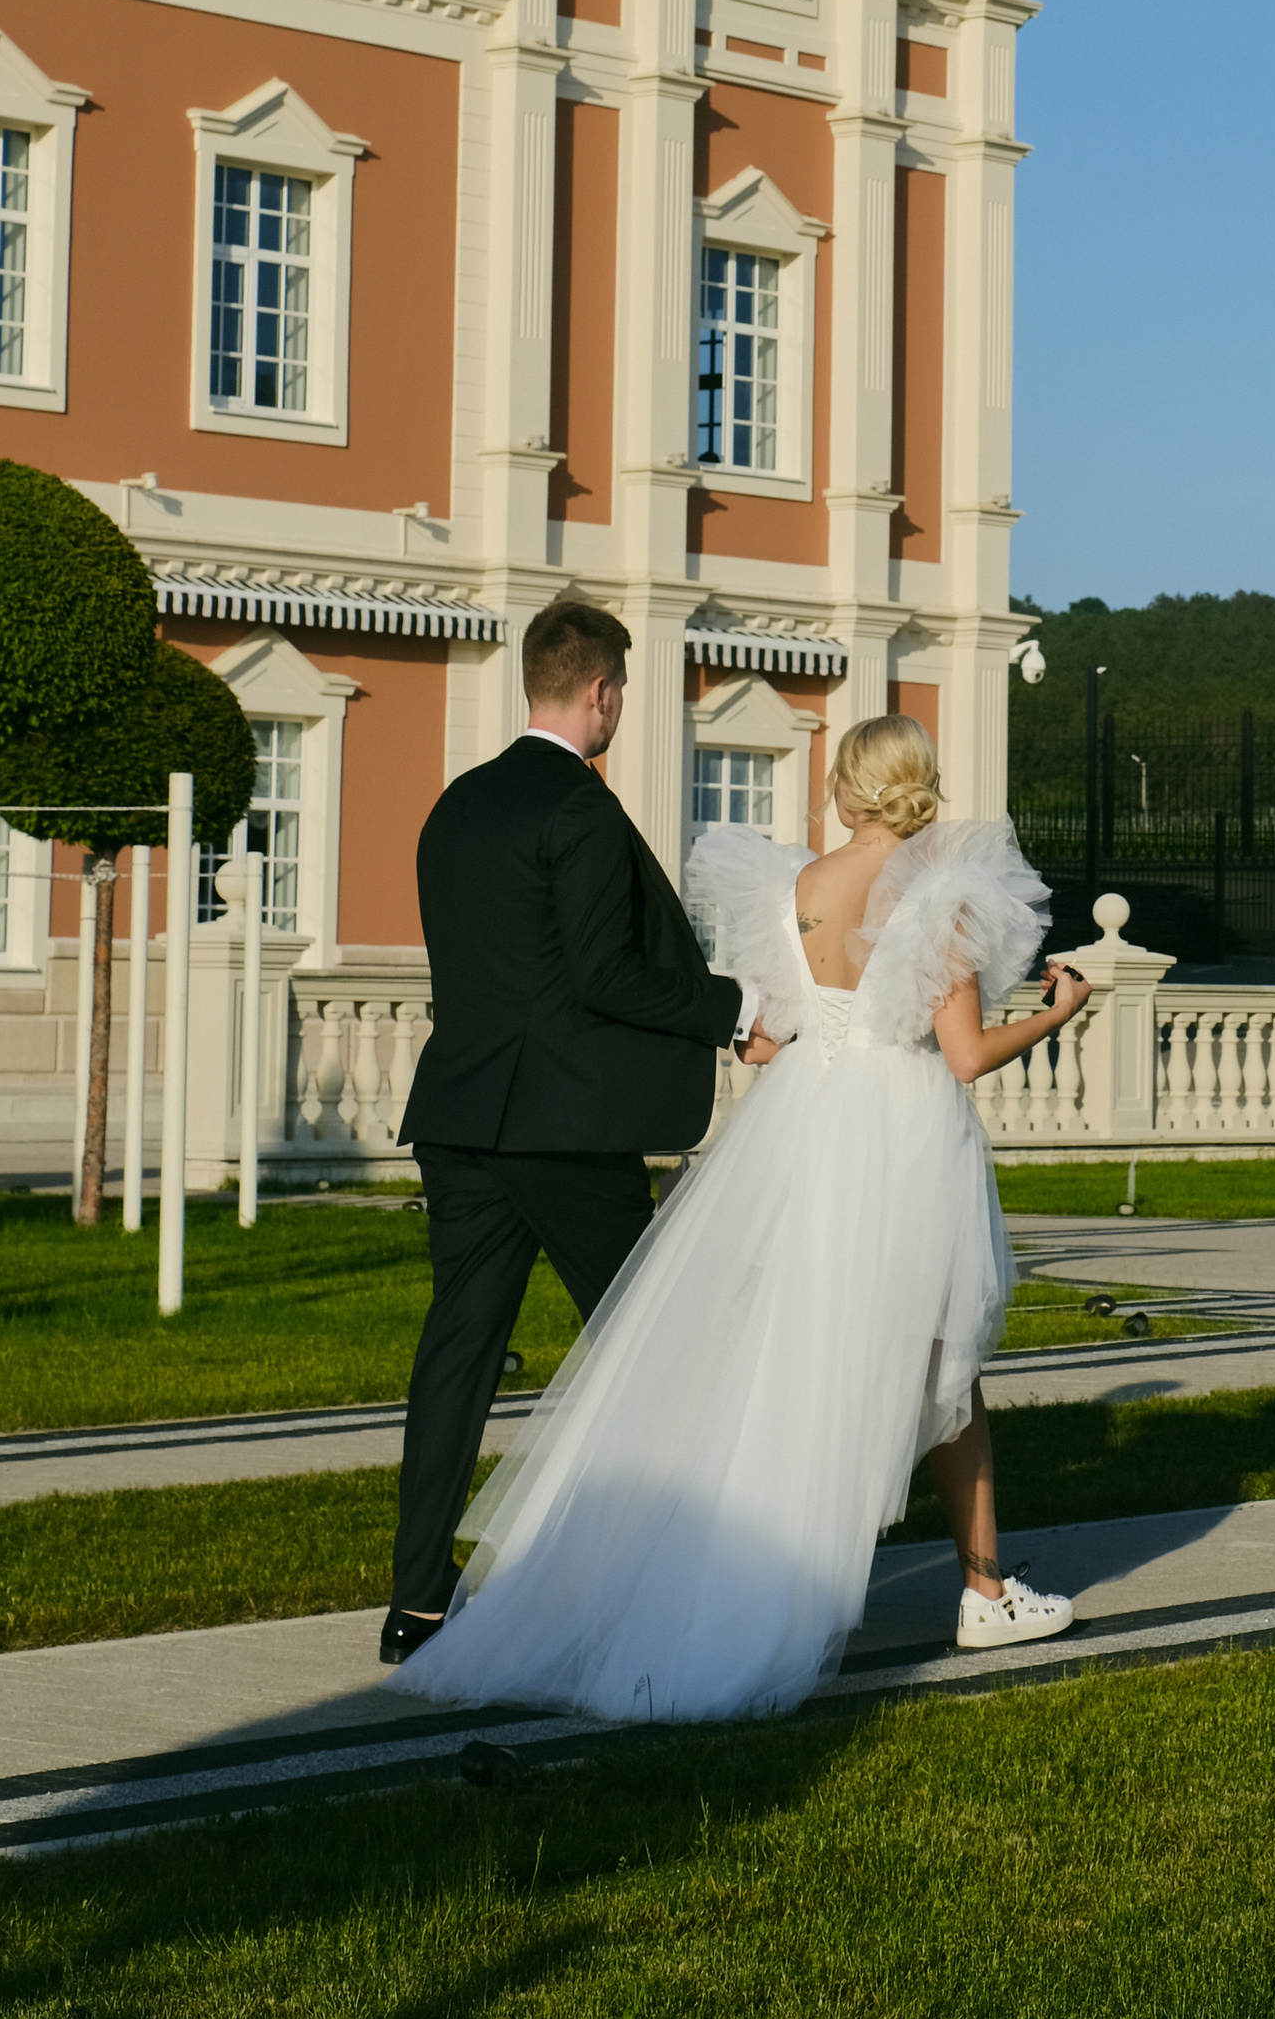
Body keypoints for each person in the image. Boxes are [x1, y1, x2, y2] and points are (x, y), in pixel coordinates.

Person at [398, 712, 1092, 1723]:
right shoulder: (940, 895)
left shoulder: (794, 890)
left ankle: (768, 1572)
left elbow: (770, 1036)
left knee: (790, 1355)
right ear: (918, 784)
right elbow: (965, 1055)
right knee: (942, 1357)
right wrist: (1055, 1013)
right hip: (897, 1133)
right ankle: (984, 1594)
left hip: (803, 1122)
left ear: (847, 785)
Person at [382, 597, 785, 1668]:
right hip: (564, 1129)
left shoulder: (456, 806)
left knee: (456, 1355)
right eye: (621, 693)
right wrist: (737, 1009)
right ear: (601, 691)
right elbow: (606, 977)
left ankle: (415, 1603)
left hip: (461, 1117)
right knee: (659, 1341)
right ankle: (678, 1572)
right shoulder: (583, 811)